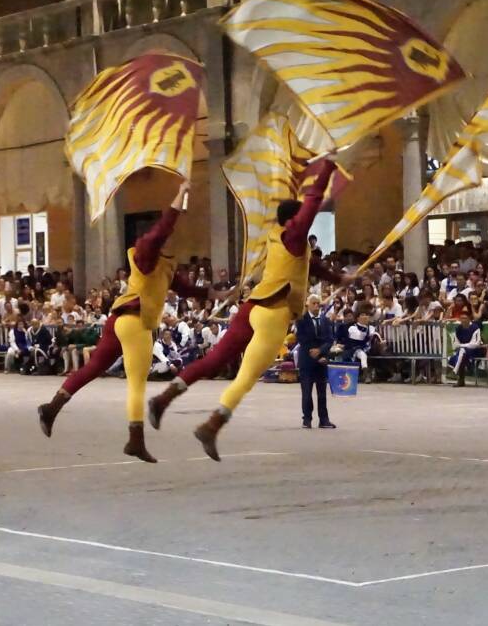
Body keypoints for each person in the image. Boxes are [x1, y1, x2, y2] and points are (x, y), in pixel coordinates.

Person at [148, 155, 351, 460]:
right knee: (246, 376)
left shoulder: (280, 239)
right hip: (274, 312)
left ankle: (164, 398)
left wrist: (339, 277)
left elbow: (314, 267)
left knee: (215, 359)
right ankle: (212, 425)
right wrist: (328, 167)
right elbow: (311, 201)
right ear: (294, 222)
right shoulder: (295, 236)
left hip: (252, 306)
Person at [36, 181, 212, 463]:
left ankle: (51, 407)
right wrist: (180, 194)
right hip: (135, 322)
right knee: (136, 385)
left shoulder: (164, 264)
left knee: (95, 367)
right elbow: (161, 230)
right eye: (170, 233)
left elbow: (189, 289)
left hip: (120, 320)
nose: (174, 235)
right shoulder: (145, 253)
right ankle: (135, 440)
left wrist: (220, 292)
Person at [296, 295, 336, 428]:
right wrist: (316, 354)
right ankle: (307, 419)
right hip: (307, 361)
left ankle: (324, 420)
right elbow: (303, 339)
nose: (316, 306)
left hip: (321, 361)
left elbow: (329, 340)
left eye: (318, 303)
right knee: (306, 392)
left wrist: (322, 354)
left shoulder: (325, 320)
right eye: (313, 303)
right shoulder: (301, 320)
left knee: (322, 393)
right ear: (307, 305)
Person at [448, 311, 482, 387]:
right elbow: (455, 344)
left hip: (475, 351)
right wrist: (461, 346)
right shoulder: (458, 328)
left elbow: (475, 344)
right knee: (459, 354)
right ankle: (460, 379)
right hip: (462, 352)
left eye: (465, 318)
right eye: (462, 318)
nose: (463, 320)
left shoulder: (475, 328)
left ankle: (455, 372)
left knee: (462, 351)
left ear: (469, 319)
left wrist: (462, 346)